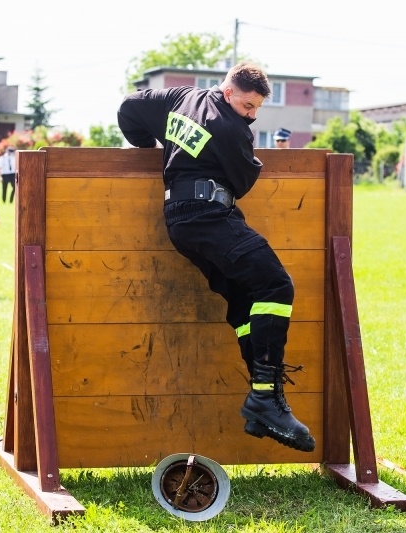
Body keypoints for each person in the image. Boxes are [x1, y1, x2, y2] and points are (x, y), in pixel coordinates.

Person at [117, 62, 315, 452]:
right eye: (247, 105)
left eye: (257, 108)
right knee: (276, 285)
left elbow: (128, 107)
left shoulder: (178, 97)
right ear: (228, 93)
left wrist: (148, 146)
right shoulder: (231, 128)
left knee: (245, 303)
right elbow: (242, 182)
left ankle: (265, 399)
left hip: (180, 220)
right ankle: (264, 399)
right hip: (208, 215)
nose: (252, 115)